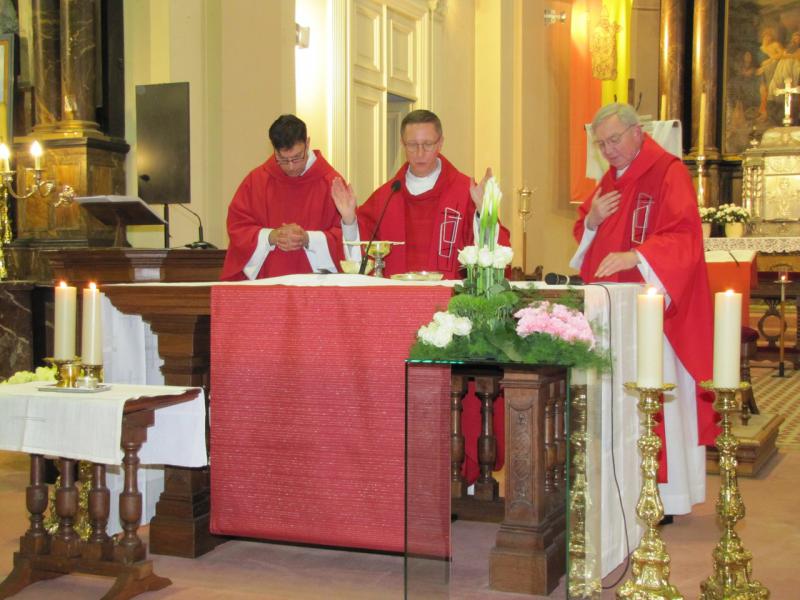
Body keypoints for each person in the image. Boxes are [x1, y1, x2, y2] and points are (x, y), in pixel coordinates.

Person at [570, 102, 716, 518]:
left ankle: (664, 497)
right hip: (613, 309)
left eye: (614, 140)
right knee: (619, 400)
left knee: (655, 397)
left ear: (638, 133)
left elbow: (685, 235)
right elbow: (585, 236)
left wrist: (637, 256)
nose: (608, 150)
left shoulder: (668, 172)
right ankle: (624, 487)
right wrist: (593, 220)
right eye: (601, 144)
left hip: (655, 314)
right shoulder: (609, 181)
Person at [331, 109, 510, 279]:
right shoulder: (385, 197)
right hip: (396, 302)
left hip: (450, 304)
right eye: (412, 145)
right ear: (402, 144)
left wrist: (484, 214)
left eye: (427, 144)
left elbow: (493, 258)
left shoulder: (465, 192)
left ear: (440, 143)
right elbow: (361, 265)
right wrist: (349, 220)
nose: (419, 153)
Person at [221, 114, 347, 280]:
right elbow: (238, 228)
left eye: (296, 157)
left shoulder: (331, 182)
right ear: (274, 150)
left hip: (317, 286)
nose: (291, 166)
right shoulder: (257, 181)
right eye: (282, 159)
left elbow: (348, 236)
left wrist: (309, 239)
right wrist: (270, 237)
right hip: (267, 282)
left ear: (307, 143)